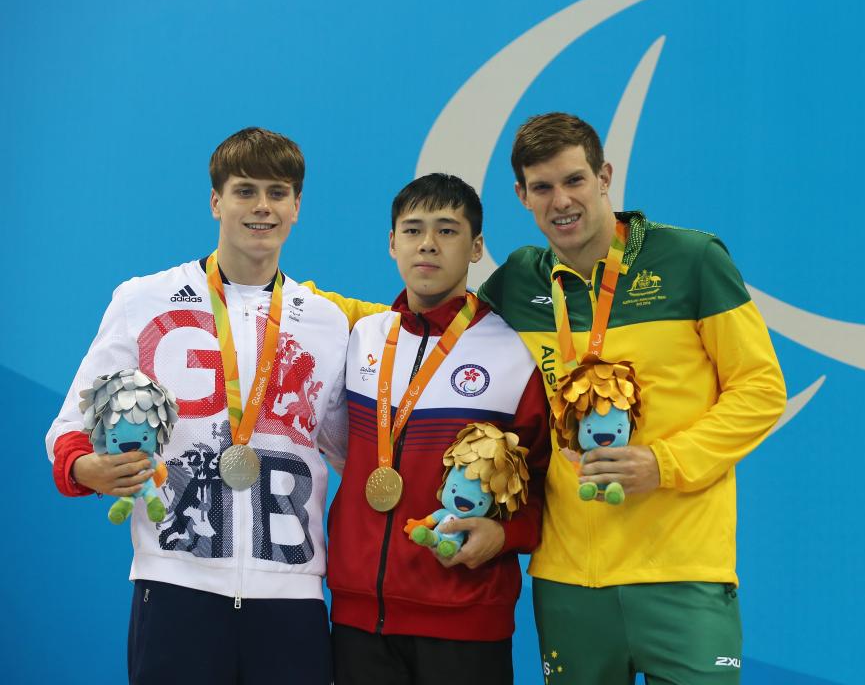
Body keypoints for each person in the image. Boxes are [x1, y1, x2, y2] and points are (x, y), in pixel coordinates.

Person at [477, 112, 787, 684]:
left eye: (574, 180)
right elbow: (438, 336)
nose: (561, 200)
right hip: (570, 580)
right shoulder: (519, 282)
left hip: (682, 573)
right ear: (521, 196)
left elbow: (762, 389)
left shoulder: (691, 260)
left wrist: (664, 463)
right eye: (541, 187)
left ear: (605, 177)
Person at [45, 127, 348, 685]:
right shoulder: (144, 299)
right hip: (175, 584)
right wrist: (85, 467)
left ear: (297, 206)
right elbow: (71, 424)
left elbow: (351, 448)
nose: (262, 206)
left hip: (292, 596)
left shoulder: (326, 321)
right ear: (216, 201)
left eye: (278, 192)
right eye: (245, 190)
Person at [321, 173, 550, 685]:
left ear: (477, 247)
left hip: (466, 622)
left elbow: (543, 482)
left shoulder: (513, 352)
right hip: (359, 620)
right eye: (413, 229)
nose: (427, 243)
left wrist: (506, 531)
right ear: (392, 243)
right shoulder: (360, 338)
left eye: (447, 230)